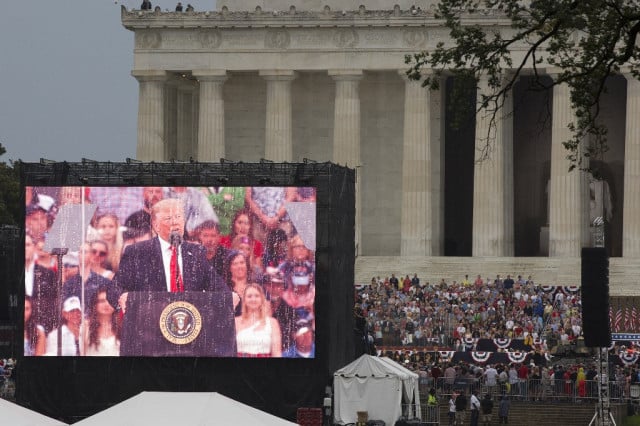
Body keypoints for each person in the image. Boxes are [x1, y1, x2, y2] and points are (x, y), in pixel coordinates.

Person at [115, 198, 226, 294]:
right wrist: (123, 298)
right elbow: (115, 288)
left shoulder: (196, 252)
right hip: (153, 316)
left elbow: (218, 286)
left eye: (178, 217)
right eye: (168, 219)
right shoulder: (137, 251)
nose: (175, 222)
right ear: (156, 225)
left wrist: (231, 297)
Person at [235, 284, 282, 357]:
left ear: (262, 299)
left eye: (257, 296)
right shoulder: (235, 322)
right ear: (244, 300)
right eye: (249, 296)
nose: (253, 299)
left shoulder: (272, 323)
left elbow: (277, 353)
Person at [24, 233, 58, 334]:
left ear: (34, 248)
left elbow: (54, 303)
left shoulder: (48, 274)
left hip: (43, 328)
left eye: (27, 245)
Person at [82, 287, 120, 356]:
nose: (107, 304)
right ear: (94, 305)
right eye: (102, 301)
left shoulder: (121, 326)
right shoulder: (86, 326)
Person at [224, 250, 251, 316]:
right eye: (235, 264)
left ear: (247, 265)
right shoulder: (224, 288)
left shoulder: (256, 287)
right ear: (229, 268)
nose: (239, 267)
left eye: (242, 263)